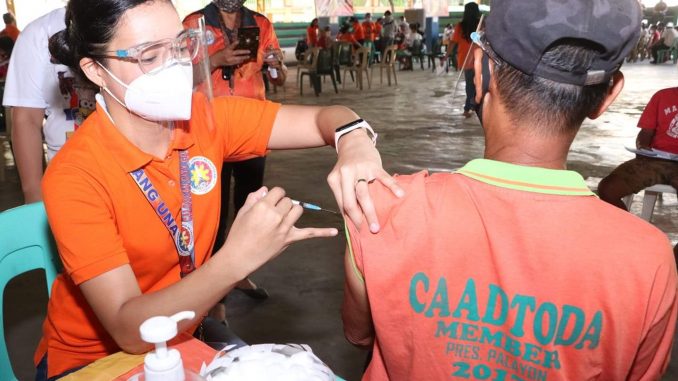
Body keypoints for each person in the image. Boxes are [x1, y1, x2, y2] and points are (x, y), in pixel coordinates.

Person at [35, 0, 404, 378]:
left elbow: (328, 118)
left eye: (180, 46)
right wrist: (237, 258)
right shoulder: (76, 175)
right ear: (96, 70)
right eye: (150, 55)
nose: (175, 65)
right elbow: (130, 329)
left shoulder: (204, 119)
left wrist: (355, 140)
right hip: (94, 359)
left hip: (186, 330)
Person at [342, 0, 677, 379]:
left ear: (481, 70)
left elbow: (360, 334)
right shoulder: (648, 260)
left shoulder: (380, 209)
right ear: (607, 96)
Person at [183, 0, 288, 298]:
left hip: (252, 130)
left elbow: (279, 79)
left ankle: (240, 275)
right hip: (207, 131)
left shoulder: (261, 24)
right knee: (211, 214)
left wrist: (275, 65)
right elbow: (179, 79)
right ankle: (214, 294)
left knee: (248, 209)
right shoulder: (193, 25)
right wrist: (216, 60)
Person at [2, 7, 97, 204]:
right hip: (69, 175)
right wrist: (34, 196)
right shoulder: (39, 34)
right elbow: (26, 118)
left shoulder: (138, 21)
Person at [598, 87, 678, 209]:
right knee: (608, 189)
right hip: (657, 161)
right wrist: (642, 147)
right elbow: (646, 131)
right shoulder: (662, 96)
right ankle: (628, 227)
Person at [450, 1, 481, 118]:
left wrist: (446, 55)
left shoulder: (460, 26)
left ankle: (468, 108)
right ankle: (473, 106)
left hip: (465, 59)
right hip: (479, 58)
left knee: (469, 84)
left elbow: (453, 42)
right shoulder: (481, 24)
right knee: (478, 83)